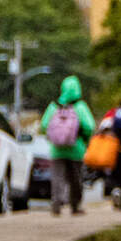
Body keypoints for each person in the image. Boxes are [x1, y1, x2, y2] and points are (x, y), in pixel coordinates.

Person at [37, 75, 95, 215]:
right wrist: (84, 140)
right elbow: (89, 126)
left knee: (57, 178)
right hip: (76, 148)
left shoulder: (53, 106)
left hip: (57, 149)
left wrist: (54, 135)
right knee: (76, 179)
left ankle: (56, 204)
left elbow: (44, 126)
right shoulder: (80, 107)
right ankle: (75, 206)